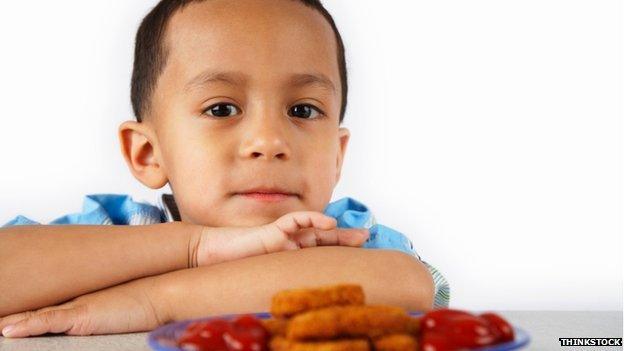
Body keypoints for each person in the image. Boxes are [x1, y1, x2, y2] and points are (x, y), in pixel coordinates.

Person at [0, 0, 449, 338]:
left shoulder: (346, 237)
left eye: (304, 110)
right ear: (147, 154)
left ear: (336, 155)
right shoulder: (115, 234)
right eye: (221, 108)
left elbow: (409, 283)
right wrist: (195, 248)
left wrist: (154, 301)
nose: (269, 142)